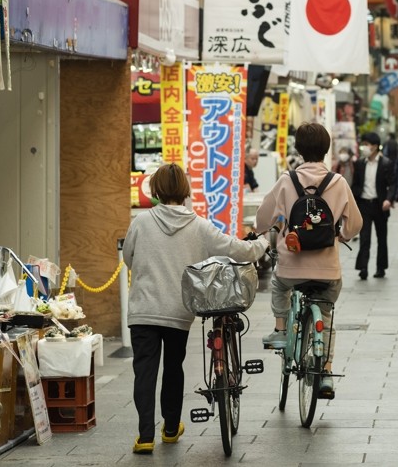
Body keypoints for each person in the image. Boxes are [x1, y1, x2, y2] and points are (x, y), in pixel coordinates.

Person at [122, 163, 268, 454]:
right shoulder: (198, 225)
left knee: (145, 371)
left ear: (156, 190)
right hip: (179, 312)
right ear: (185, 190)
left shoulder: (141, 222)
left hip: (143, 310)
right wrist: (263, 242)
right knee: (173, 368)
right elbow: (236, 249)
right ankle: (172, 429)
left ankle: (145, 436)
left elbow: (128, 257)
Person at [256, 122, 362, 396]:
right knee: (325, 316)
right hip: (328, 270)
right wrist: (342, 236)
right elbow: (355, 225)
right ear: (327, 150)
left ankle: (280, 330)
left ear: (299, 150)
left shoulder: (285, 181)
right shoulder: (338, 182)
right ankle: (325, 372)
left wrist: (264, 230)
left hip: (292, 267)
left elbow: (263, 219)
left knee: (279, 286)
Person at [351, 132, 395, 279]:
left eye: (367, 145)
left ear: (375, 147)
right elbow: (355, 184)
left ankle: (381, 268)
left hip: (380, 205)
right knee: (365, 238)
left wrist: (388, 199)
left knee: (382, 238)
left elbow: (392, 184)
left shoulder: (386, 163)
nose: (364, 147)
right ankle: (363, 268)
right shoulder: (359, 164)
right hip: (364, 205)